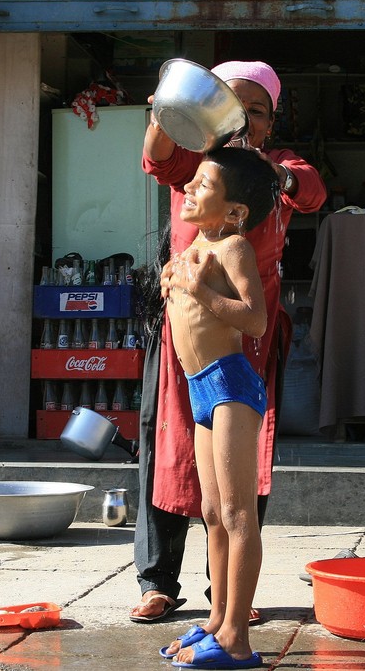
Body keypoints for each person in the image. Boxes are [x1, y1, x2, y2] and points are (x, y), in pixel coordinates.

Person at [131, 60, 327, 625]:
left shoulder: (271, 172)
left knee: (242, 473)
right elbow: (157, 155)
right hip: (183, 338)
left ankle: (230, 596)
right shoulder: (198, 164)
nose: (244, 121)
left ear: (271, 120)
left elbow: (310, 190)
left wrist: (272, 175)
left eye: (255, 112)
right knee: (163, 448)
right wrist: (166, 111)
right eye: (229, 107)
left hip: (243, 343)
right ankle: (158, 581)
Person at [159, 146, 276, 669]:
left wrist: (198, 289)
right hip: (199, 386)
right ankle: (215, 621)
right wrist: (174, 283)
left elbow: (255, 320)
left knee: (236, 512)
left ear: (235, 211)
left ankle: (237, 638)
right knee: (210, 514)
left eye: (203, 184)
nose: (188, 188)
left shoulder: (234, 248)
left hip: (230, 385)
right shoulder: (194, 249)